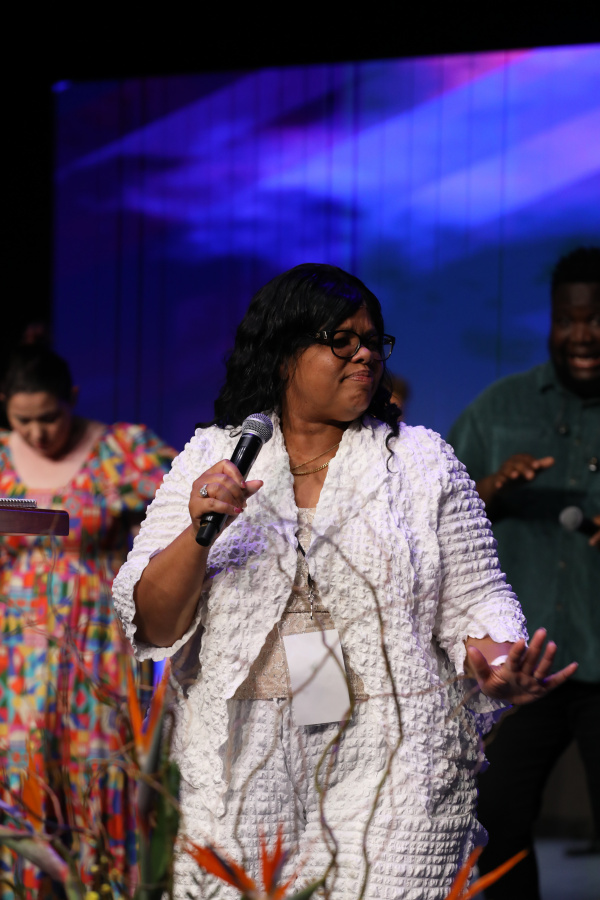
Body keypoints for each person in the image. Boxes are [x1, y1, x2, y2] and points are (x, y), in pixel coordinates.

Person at [113, 263, 576, 900]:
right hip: (241, 758)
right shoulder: (212, 458)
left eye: (373, 340)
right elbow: (153, 623)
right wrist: (201, 531)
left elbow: (479, 597)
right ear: (283, 353)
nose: (365, 354)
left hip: (394, 752)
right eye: (341, 340)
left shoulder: (421, 462)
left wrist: (497, 658)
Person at [447, 246, 600, 899]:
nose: (582, 334)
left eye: (595, 319)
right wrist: (491, 487)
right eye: (568, 319)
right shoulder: (499, 407)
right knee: (498, 818)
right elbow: (436, 512)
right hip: (524, 667)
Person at [0, 346, 175, 896]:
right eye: (23, 420)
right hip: (17, 653)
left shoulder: (122, 450)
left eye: (49, 417)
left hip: (97, 644)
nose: (37, 432)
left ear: (71, 400)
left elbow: (181, 500)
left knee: (100, 770)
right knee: (22, 771)